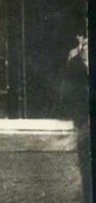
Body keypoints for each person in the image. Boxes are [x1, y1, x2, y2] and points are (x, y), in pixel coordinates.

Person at [62, 35, 91, 202]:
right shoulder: (74, 60)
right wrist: (79, 118)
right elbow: (68, 92)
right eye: (83, 37)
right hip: (85, 120)